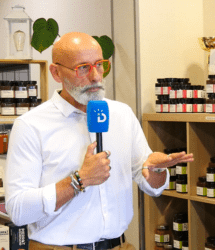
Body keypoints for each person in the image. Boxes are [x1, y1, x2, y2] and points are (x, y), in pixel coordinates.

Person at [4, 32, 193, 249]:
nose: (95, 76)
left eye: (99, 65)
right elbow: (18, 210)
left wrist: (156, 172)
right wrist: (79, 180)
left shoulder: (122, 114)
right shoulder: (30, 126)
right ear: (56, 73)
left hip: (119, 245)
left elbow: (153, 187)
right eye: (82, 68)